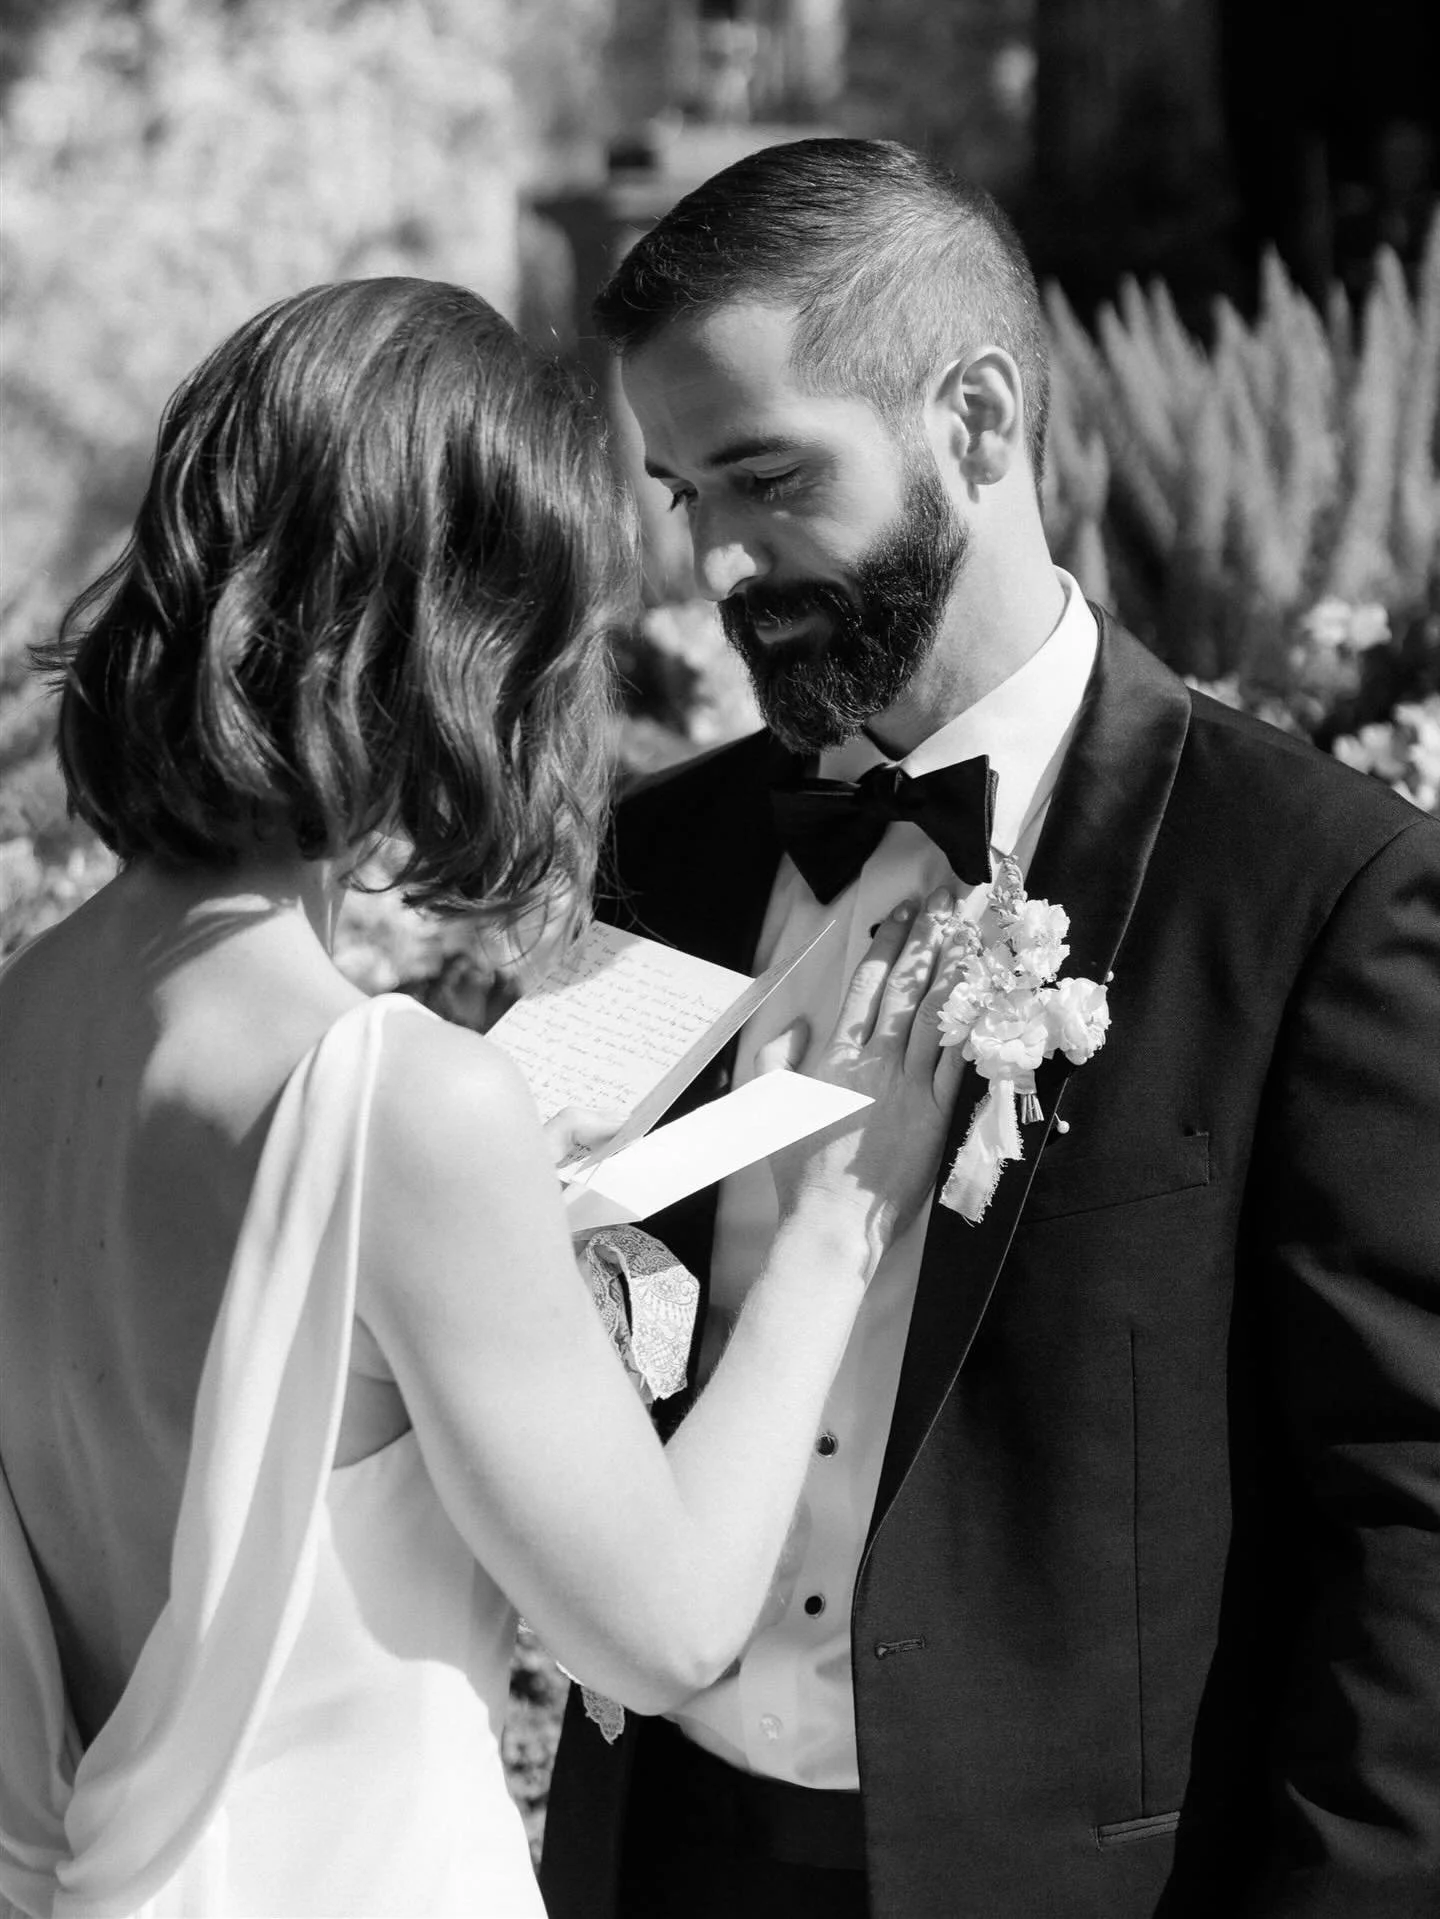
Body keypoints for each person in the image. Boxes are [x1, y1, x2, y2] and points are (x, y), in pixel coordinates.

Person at [538, 139, 1440, 1919]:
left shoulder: (1319, 893)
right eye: (679, 492)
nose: (715, 554)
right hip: (662, 1857)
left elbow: (1407, 1519)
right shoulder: (667, 851)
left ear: (975, 419)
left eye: (764, 474)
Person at [0, 277, 971, 1918]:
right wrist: (838, 1225)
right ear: (462, 636)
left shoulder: (26, 1009)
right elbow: (660, 1632)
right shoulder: (404, 1107)